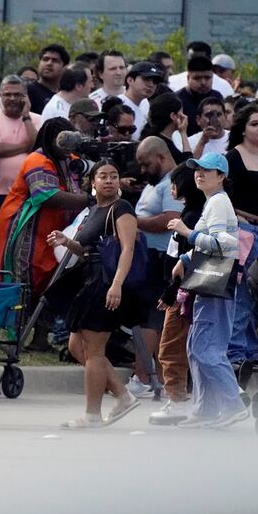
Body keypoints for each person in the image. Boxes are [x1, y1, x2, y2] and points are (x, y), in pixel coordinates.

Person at [46, 160, 142, 428]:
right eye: (103, 176)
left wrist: (117, 284)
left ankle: (92, 414)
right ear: (93, 183)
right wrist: (67, 242)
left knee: (95, 349)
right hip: (89, 279)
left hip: (106, 282)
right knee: (77, 346)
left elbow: (127, 250)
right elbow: (87, 250)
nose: (109, 180)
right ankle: (123, 395)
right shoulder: (93, 211)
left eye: (114, 175)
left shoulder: (121, 209)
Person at [168, 153, 248, 428]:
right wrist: (185, 259)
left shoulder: (218, 203)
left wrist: (185, 231)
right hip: (210, 281)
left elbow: (224, 245)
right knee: (197, 346)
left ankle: (232, 405)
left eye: (207, 170)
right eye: (197, 170)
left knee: (206, 348)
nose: (199, 174)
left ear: (221, 176)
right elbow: (211, 242)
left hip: (216, 282)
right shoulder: (214, 202)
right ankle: (205, 409)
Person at [0, 118, 89, 299]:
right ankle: (19, 325)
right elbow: (47, 196)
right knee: (28, 281)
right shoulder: (37, 159)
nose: (67, 148)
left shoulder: (69, 159)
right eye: (62, 141)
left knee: (52, 281)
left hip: (55, 232)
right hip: (28, 231)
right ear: (51, 140)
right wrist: (89, 200)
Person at [149, 163, 205, 425]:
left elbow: (184, 263)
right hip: (183, 291)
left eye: (176, 183)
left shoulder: (191, 218)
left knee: (170, 347)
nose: (171, 188)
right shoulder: (190, 212)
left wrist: (170, 292)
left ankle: (177, 401)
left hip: (183, 294)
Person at [128, 137, 184, 398]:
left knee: (150, 319)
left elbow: (172, 219)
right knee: (152, 319)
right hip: (148, 256)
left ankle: (142, 377)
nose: (142, 169)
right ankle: (159, 378)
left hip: (161, 258)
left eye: (145, 163)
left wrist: (133, 220)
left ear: (160, 158)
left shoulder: (173, 182)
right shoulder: (157, 183)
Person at [225, 106, 258, 366]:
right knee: (244, 292)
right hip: (248, 231)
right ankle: (235, 352)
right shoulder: (234, 157)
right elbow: (221, 192)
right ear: (242, 128)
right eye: (254, 123)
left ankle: (252, 351)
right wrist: (236, 219)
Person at [0, 75, 43, 232]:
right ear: (0, 95)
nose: (12, 98)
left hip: (30, 193)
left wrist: (26, 117)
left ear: (26, 97)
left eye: (18, 94)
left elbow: (37, 147)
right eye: (7, 94)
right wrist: (26, 147)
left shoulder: (37, 119)